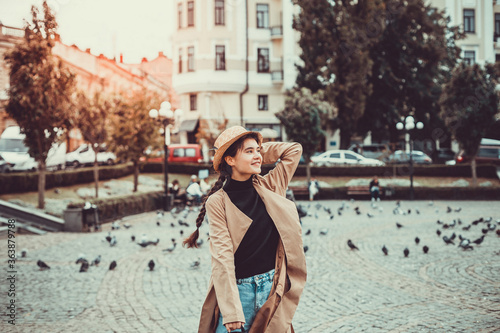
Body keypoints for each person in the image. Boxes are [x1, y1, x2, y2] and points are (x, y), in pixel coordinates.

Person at [183, 126, 307, 333]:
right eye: (249, 151)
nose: (258, 156)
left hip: (271, 289)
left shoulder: (271, 185)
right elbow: (222, 257)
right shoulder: (218, 202)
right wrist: (231, 311)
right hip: (239, 293)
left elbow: (293, 150)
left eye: (258, 150)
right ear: (230, 160)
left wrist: (253, 152)